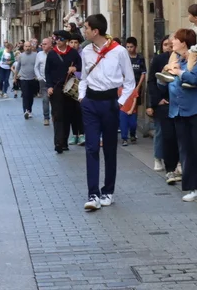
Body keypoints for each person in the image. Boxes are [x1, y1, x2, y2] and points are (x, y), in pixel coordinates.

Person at [79, 14, 135, 211]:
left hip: (110, 102)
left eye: (86, 28)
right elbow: (83, 77)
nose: (84, 31)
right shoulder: (86, 51)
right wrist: (82, 96)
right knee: (91, 147)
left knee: (110, 148)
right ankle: (93, 194)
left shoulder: (119, 51)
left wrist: (119, 103)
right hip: (90, 103)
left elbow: (130, 82)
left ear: (95, 31)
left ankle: (108, 191)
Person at [159, 28, 197, 202]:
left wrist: (178, 72)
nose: (172, 42)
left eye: (175, 39)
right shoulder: (174, 60)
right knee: (186, 150)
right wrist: (164, 75)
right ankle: (194, 187)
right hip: (178, 111)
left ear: (184, 43)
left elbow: (194, 79)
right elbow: (163, 84)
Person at [146, 37, 181, 183]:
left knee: (180, 136)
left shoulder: (184, 59)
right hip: (165, 103)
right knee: (167, 135)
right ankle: (169, 168)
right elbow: (151, 81)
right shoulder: (159, 59)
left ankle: (180, 164)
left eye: (172, 44)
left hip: (180, 103)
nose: (170, 47)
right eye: (166, 44)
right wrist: (156, 101)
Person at [46, 30, 82, 153]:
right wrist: (49, 86)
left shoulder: (73, 53)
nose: (58, 41)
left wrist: (75, 68)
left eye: (60, 39)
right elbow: (47, 72)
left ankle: (65, 142)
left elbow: (82, 66)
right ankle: (58, 143)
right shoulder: (52, 54)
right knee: (57, 116)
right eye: (56, 38)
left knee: (67, 115)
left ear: (66, 40)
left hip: (69, 88)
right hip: (56, 88)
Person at [120, 36, 146, 147]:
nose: (129, 49)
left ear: (135, 47)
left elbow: (143, 73)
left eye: (131, 47)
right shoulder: (124, 58)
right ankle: (124, 132)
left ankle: (133, 132)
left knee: (134, 108)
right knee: (124, 108)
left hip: (136, 87)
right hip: (126, 88)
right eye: (127, 47)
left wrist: (138, 87)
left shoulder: (140, 58)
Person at [14, 40, 39, 119]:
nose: (27, 48)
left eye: (29, 46)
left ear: (31, 47)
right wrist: (15, 77)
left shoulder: (36, 55)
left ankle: (29, 110)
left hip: (33, 78)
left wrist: (38, 76)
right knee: (25, 95)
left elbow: (38, 66)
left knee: (30, 96)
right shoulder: (21, 56)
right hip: (23, 78)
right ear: (23, 47)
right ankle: (25, 111)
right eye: (26, 46)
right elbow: (18, 67)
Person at [36, 36, 53, 125]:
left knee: (54, 100)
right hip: (43, 80)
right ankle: (46, 118)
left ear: (50, 45)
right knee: (45, 99)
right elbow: (36, 67)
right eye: (42, 44)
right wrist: (39, 77)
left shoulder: (54, 53)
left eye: (45, 44)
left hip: (54, 81)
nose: (43, 45)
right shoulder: (39, 54)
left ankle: (54, 115)